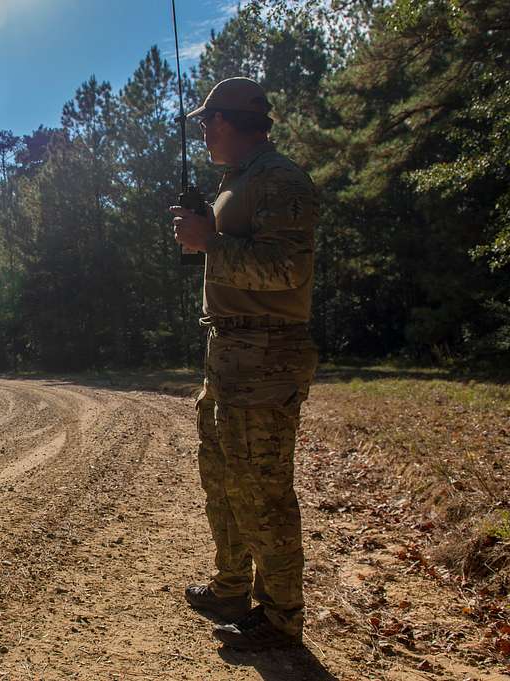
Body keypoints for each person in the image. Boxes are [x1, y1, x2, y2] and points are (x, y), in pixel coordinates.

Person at [169, 77, 319, 651]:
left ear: (229, 121)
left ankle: (280, 617)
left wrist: (212, 243)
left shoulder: (280, 178)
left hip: (265, 355)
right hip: (229, 355)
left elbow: (288, 271)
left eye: (207, 121)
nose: (203, 131)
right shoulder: (240, 182)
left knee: (263, 489)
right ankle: (231, 586)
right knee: (224, 480)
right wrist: (206, 233)